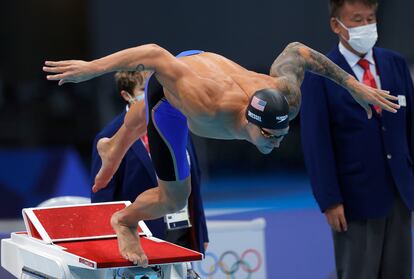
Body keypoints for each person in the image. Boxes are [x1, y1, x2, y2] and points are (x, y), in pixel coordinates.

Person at [43, 42, 399, 266]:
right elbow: (153, 54)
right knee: (174, 195)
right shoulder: (206, 102)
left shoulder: (285, 95)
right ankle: (125, 221)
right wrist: (90, 69)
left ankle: (113, 147)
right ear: (248, 119)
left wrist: (353, 86)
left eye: (282, 136)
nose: (275, 144)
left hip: (198, 74)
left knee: (133, 130)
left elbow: (298, 52)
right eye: (269, 136)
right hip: (180, 87)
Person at [300, 1, 414, 278]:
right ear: (336, 25)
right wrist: (329, 200)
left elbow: (410, 129)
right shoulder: (320, 76)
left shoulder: (395, 64)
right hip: (354, 200)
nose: (366, 26)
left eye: (370, 18)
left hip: (400, 193)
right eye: (357, 19)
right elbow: (316, 143)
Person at [90, 70, 209, 255]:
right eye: (143, 89)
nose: (151, 95)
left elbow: (194, 176)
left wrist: (202, 232)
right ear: (126, 95)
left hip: (183, 228)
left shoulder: (175, 121)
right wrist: (111, 244)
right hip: (144, 236)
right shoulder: (109, 138)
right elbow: (102, 200)